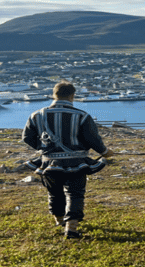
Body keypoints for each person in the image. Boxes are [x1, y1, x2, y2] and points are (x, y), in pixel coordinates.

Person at [22, 81, 114, 239]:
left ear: (54, 94)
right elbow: (93, 140)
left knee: (54, 193)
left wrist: (43, 147)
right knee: (75, 194)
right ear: (72, 95)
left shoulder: (36, 115)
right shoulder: (82, 116)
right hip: (76, 162)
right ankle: (71, 228)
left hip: (48, 162)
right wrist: (105, 152)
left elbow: (27, 138)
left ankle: (59, 220)